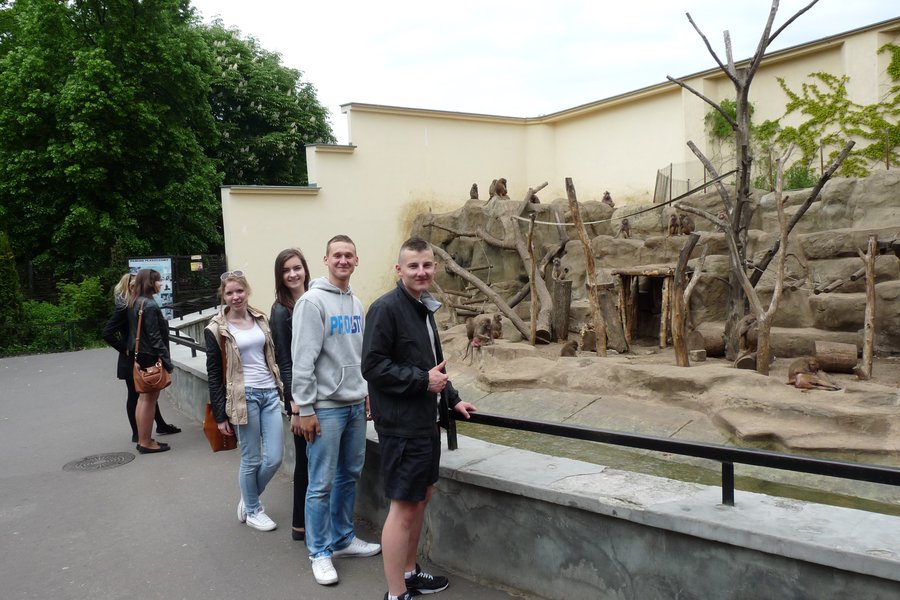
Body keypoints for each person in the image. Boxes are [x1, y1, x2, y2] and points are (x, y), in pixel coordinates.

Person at [361, 237, 476, 600]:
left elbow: (432, 364)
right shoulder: (385, 308)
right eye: (413, 266)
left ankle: (410, 573)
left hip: (426, 422)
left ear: (435, 268)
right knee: (404, 508)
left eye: (426, 265)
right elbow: (372, 366)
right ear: (399, 269)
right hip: (402, 427)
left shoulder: (423, 305)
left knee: (421, 498)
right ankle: (396, 594)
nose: (421, 271)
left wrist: (452, 398)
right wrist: (423, 381)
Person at [291, 234, 381, 586]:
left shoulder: (356, 303)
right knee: (321, 483)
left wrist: (366, 392)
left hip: (355, 404)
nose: (343, 260)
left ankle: (342, 538)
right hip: (325, 408)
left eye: (349, 255)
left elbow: (359, 356)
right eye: (337, 255)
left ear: (356, 261)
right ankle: (319, 551)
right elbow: (303, 360)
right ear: (326, 260)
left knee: (350, 474)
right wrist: (305, 408)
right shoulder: (312, 302)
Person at [205, 271, 285, 531]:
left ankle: (249, 498)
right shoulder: (216, 328)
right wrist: (220, 415)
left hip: (270, 393)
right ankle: (253, 510)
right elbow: (214, 373)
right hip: (243, 397)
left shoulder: (261, 318)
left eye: (239, 291)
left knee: (274, 458)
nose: (235, 296)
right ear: (223, 296)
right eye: (229, 293)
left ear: (247, 291)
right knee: (251, 459)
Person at [102, 273, 180, 444]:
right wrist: (124, 348)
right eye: (134, 285)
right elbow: (107, 333)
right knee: (137, 396)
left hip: (136, 355)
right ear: (129, 287)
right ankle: (138, 434)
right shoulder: (127, 307)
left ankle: (158, 426)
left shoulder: (136, 305)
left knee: (147, 394)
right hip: (133, 357)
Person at [270, 248, 311, 542]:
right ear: (280, 277)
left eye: (297, 268)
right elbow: (285, 361)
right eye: (286, 271)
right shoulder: (281, 310)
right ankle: (300, 524)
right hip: (300, 398)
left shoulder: (312, 299)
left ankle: (306, 523)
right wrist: (295, 405)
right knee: (306, 461)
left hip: (317, 394)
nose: (293, 274)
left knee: (314, 461)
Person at [126, 269, 176, 454]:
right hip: (150, 356)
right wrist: (167, 362)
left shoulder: (135, 301)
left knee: (143, 399)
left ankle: (143, 440)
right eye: (157, 280)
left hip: (139, 354)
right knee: (149, 400)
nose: (160, 284)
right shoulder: (149, 305)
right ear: (149, 282)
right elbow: (155, 337)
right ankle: (146, 443)